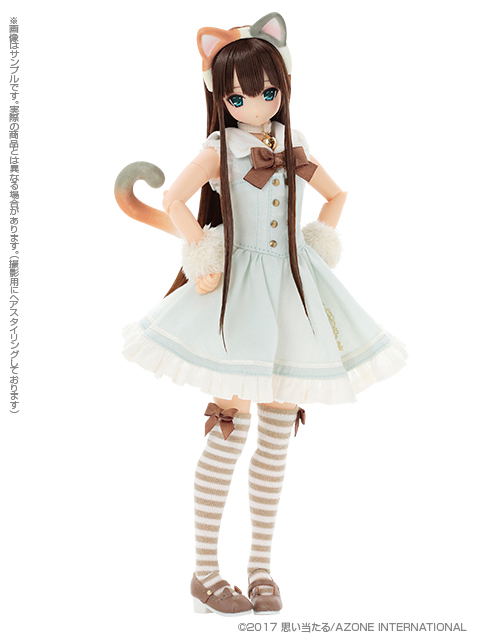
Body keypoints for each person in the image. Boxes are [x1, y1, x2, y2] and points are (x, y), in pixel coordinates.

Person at [114, 12, 407, 616]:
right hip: (239, 293)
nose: (256, 104)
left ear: (284, 87)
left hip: (295, 291)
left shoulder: (292, 146)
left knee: (276, 436)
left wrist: (318, 242)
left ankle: (261, 569)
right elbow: (173, 199)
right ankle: (204, 571)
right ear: (221, 98)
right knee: (229, 426)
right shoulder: (220, 147)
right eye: (240, 96)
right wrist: (202, 250)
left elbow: (337, 195)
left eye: (268, 93)